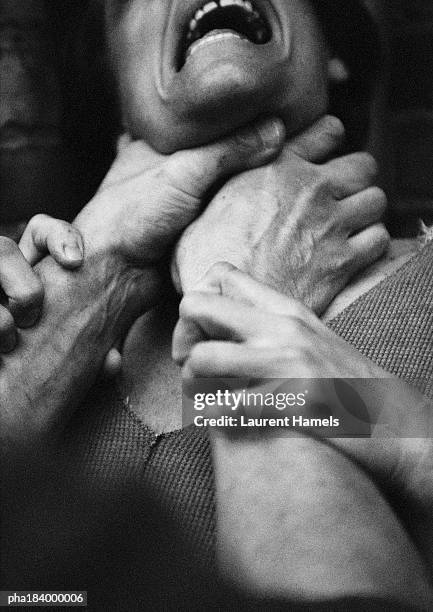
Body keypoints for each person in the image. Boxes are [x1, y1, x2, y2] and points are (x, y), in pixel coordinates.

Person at [1, 0, 428, 606]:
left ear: (335, 54)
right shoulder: (34, 324)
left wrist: (239, 322)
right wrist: (79, 293)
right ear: (121, 104)